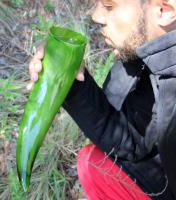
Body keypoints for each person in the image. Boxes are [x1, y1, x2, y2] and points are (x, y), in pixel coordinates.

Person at [27, 0, 176, 199]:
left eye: (109, 5)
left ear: (164, 10)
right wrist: (69, 83)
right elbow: (132, 139)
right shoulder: (154, 57)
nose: (95, 16)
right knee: (93, 164)